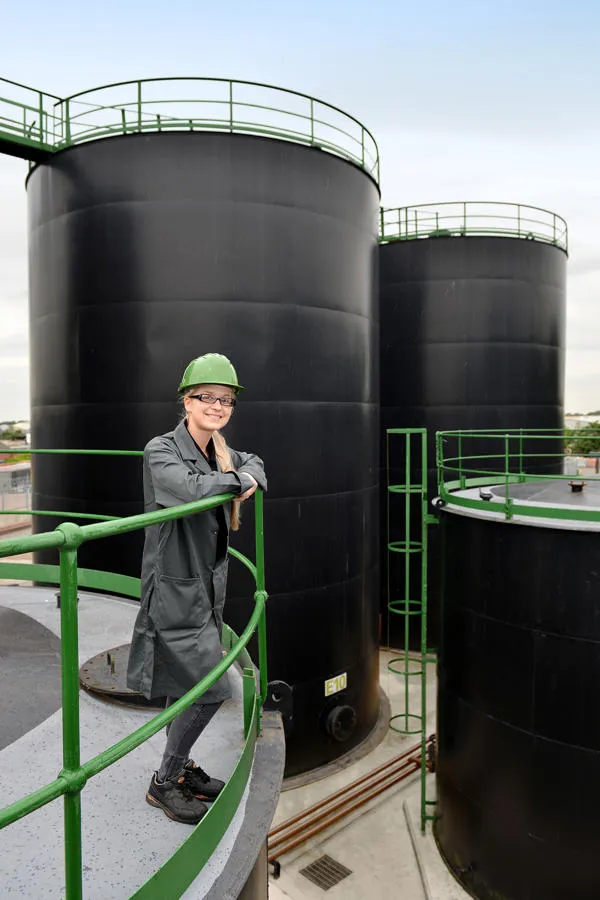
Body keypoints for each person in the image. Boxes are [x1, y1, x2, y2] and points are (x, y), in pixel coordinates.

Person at [127, 353, 267, 824]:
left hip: (206, 589)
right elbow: (188, 489)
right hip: (175, 588)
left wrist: (242, 476)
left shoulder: (220, 451)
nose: (217, 405)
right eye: (207, 396)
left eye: (225, 399)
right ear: (187, 400)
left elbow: (257, 465)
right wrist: (236, 481)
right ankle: (164, 783)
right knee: (209, 689)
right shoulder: (160, 448)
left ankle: (179, 767)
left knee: (188, 684)